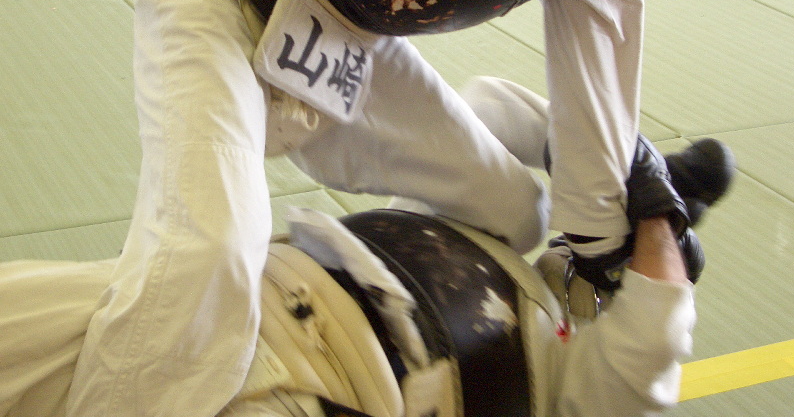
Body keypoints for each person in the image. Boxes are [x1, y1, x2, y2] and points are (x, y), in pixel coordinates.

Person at [59, 0, 787, 414]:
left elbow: (595, 105)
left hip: (336, 49)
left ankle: (496, 129)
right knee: (210, 260)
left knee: (515, 208)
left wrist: (629, 217)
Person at [1, 204, 698, 417]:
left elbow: (654, 336)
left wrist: (659, 211)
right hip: (215, 290)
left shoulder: (587, 383)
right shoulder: (509, 227)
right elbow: (492, 114)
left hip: (303, 385)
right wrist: (600, 159)